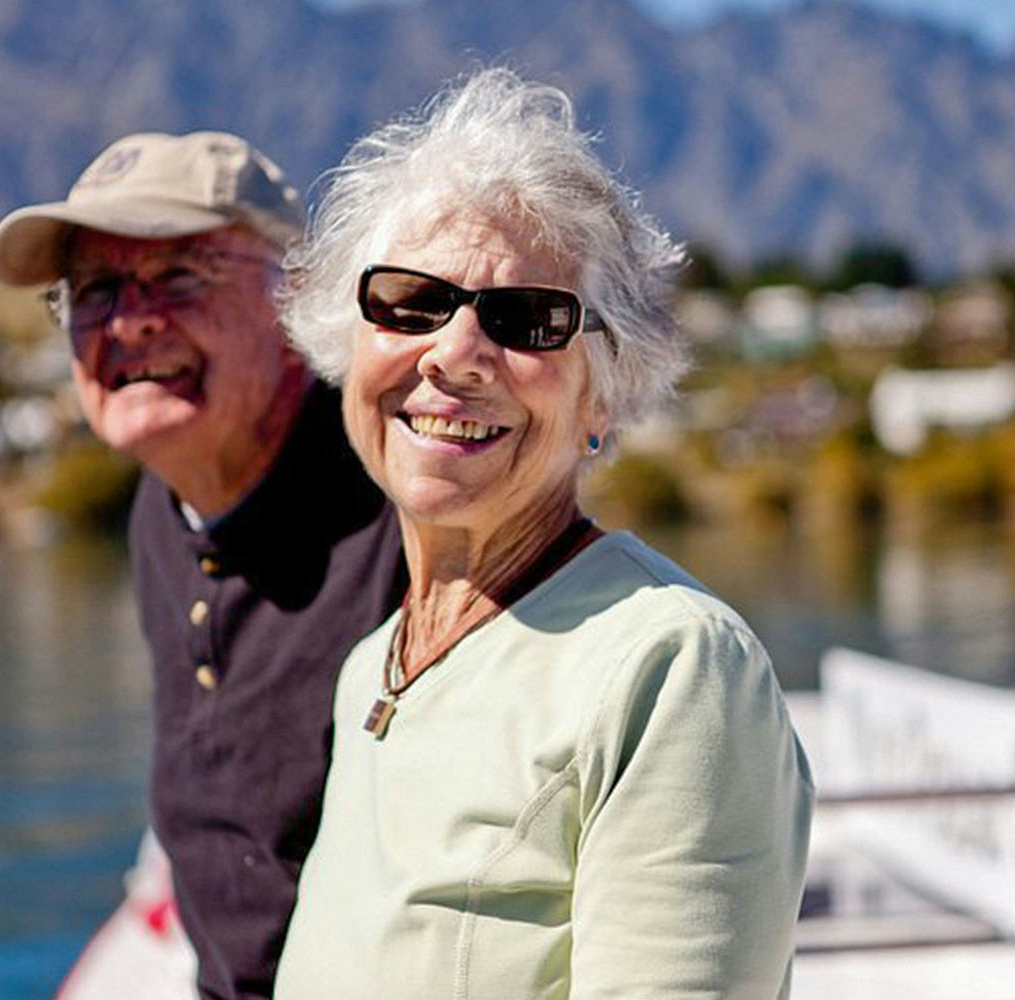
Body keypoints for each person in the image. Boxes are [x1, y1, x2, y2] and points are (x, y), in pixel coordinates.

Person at [270, 67, 813, 998]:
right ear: (346, 343)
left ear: (603, 394)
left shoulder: (673, 667)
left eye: (526, 320)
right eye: (409, 301)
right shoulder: (373, 665)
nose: (454, 354)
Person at [0, 131, 406, 999]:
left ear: (299, 299)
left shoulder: (409, 502)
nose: (131, 320)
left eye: (179, 275)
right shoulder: (161, 509)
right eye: (94, 290)